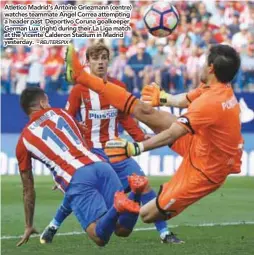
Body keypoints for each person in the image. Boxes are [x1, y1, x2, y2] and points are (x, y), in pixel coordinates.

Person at [65, 43, 243, 239]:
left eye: (203, 62)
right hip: (203, 145)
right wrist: (164, 98)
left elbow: (172, 134)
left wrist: (136, 147)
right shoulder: (216, 86)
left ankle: (128, 209)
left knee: (146, 214)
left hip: (205, 170)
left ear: (211, 68)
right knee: (147, 111)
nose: (200, 65)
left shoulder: (210, 103)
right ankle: (80, 76)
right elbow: (185, 99)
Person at [41, 43, 179, 244]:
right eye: (95, 59)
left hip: (116, 150)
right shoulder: (79, 89)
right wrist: (66, 164)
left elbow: (125, 118)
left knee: (142, 183)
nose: (100, 62)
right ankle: (54, 225)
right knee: (79, 189)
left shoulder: (118, 87)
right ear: (87, 63)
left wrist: (140, 137)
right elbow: (68, 123)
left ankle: (165, 233)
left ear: (108, 61)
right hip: (91, 153)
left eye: (104, 58)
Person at [15, 87, 141, 247]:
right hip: (100, 165)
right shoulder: (63, 113)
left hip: (76, 178)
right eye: (48, 101)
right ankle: (136, 194)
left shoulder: (24, 140)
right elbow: (83, 138)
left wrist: (28, 224)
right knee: (123, 228)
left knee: (99, 237)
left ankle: (118, 206)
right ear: (42, 103)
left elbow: (28, 190)